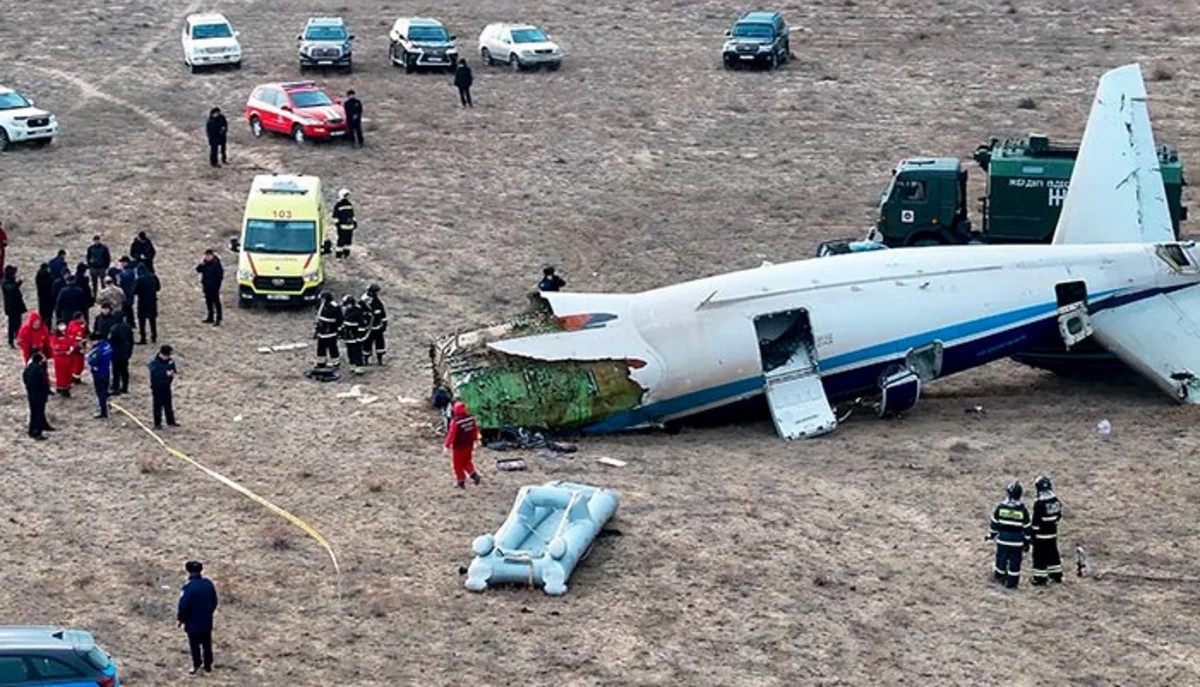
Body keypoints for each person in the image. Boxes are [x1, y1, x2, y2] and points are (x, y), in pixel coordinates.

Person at [987, 481, 1032, 589]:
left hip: (1002, 540)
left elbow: (994, 523)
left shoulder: (1001, 507)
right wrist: (1027, 541)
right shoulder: (1023, 510)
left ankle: (1000, 578)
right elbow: (1027, 527)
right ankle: (1012, 583)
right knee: (1015, 562)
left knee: (1001, 559)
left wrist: (991, 535)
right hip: (1017, 542)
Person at [177, 560, 218, 675]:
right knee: (207, 643)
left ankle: (197, 664)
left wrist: (181, 618)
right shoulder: (208, 584)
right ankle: (208, 665)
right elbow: (214, 601)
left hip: (192, 621)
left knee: (194, 644)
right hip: (206, 619)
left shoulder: (189, 587)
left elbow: (183, 605)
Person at [1030, 475, 1064, 585]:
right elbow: (1058, 516)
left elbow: (1036, 521)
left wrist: (1032, 534)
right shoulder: (1055, 500)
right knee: (1053, 553)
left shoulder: (1039, 503)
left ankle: (1040, 578)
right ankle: (1056, 575)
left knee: (1039, 556)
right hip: (1052, 533)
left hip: (1040, 535)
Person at [443, 401, 482, 488]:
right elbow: (475, 430)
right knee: (467, 462)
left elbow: (451, 434)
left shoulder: (455, 422)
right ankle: (474, 475)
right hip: (469, 445)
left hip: (458, 447)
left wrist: (447, 445)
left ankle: (460, 481)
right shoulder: (471, 419)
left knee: (457, 464)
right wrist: (476, 439)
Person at [23, 351, 52, 440]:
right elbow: (44, 383)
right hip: (39, 395)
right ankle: (37, 432)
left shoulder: (28, 369)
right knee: (38, 413)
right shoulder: (40, 370)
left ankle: (32, 430)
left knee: (33, 413)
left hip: (31, 394)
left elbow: (24, 379)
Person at [148, 344, 178, 429]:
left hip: (166, 386)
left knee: (168, 404)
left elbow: (173, 370)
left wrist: (171, 374)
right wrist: (165, 373)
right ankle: (157, 423)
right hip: (157, 387)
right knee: (157, 405)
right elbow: (155, 375)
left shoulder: (170, 361)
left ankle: (170, 421)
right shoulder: (154, 363)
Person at [134, 263, 161, 344]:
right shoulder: (153, 277)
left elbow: (135, 291)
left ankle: (143, 338)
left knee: (142, 321)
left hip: (142, 302)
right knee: (152, 320)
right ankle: (154, 336)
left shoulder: (139, 279)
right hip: (152, 301)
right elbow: (158, 288)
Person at [361, 284, 388, 366]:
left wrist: (384, 324)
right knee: (366, 344)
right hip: (368, 327)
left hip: (377, 327)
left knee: (380, 343)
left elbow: (383, 314)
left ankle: (380, 359)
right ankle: (366, 359)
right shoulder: (363, 302)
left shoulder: (377, 302)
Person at [195, 249, 224, 325]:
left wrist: (217, 286)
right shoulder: (205, 263)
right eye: (206, 256)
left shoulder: (216, 263)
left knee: (216, 302)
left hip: (214, 287)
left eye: (208, 256)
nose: (207, 257)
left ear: (212, 255)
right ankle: (210, 317)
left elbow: (220, 276)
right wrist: (201, 264)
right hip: (206, 286)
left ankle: (218, 318)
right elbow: (198, 270)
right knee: (208, 302)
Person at [314, 291, 342, 367]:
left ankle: (335, 363)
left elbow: (339, 319)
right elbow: (318, 316)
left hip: (331, 331)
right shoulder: (321, 305)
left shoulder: (335, 307)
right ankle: (321, 362)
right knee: (320, 348)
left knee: (332, 348)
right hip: (322, 330)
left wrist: (339, 330)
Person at [340, 295, 366, 375]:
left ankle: (359, 367)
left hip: (355, 336)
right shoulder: (348, 311)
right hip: (348, 336)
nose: (346, 307)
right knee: (350, 351)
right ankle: (352, 365)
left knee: (357, 352)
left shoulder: (358, 312)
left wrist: (359, 336)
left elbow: (362, 326)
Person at [108, 316, 134, 396]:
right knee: (124, 370)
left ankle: (116, 387)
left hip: (116, 353)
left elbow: (110, 340)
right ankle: (125, 387)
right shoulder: (128, 327)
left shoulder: (114, 328)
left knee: (116, 371)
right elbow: (131, 340)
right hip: (125, 353)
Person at [87, 338, 112, 419]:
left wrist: (89, 356)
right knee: (105, 390)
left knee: (100, 393)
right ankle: (108, 405)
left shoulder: (98, 350)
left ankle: (103, 411)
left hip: (99, 373)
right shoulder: (107, 345)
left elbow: (91, 361)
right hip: (106, 372)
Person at [49, 322, 76, 397]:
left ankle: (66, 386)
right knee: (61, 374)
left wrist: (72, 347)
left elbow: (72, 341)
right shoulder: (55, 336)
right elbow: (55, 347)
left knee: (68, 372)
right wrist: (65, 349)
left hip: (68, 358)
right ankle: (63, 388)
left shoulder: (67, 334)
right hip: (60, 359)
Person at [2, 265, 26, 348]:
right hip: (11, 307)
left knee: (18, 323)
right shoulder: (5, 282)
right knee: (12, 324)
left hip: (17, 306)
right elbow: (11, 290)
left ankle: (18, 337)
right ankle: (11, 340)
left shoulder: (10, 280)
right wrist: (18, 283)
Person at [332, 189, 356, 259]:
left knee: (348, 241)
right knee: (341, 241)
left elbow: (352, 214)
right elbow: (335, 216)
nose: (347, 197)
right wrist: (337, 225)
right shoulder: (338, 205)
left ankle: (346, 254)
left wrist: (354, 222)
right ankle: (338, 255)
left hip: (350, 227)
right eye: (346, 195)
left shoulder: (349, 204)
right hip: (342, 227)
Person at [66, 311, 89, 383]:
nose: (83, 319)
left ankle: (75, 376)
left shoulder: (78, 324)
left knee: (77, 363)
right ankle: (75, 378)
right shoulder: (75, 326)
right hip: (76, 347)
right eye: (82, 317)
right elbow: (76, 338)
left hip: (77, 346)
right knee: (77, 363)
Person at [117, 257, 137, 325]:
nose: (121, 264)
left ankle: (129, 322)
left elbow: (125, 277)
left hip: (128, 293)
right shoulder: (129, 270)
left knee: (127, 308)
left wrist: (120, 271)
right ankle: (130, 322)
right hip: (128, 293)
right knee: (128, 309)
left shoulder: (129, 271)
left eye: (122, 262)